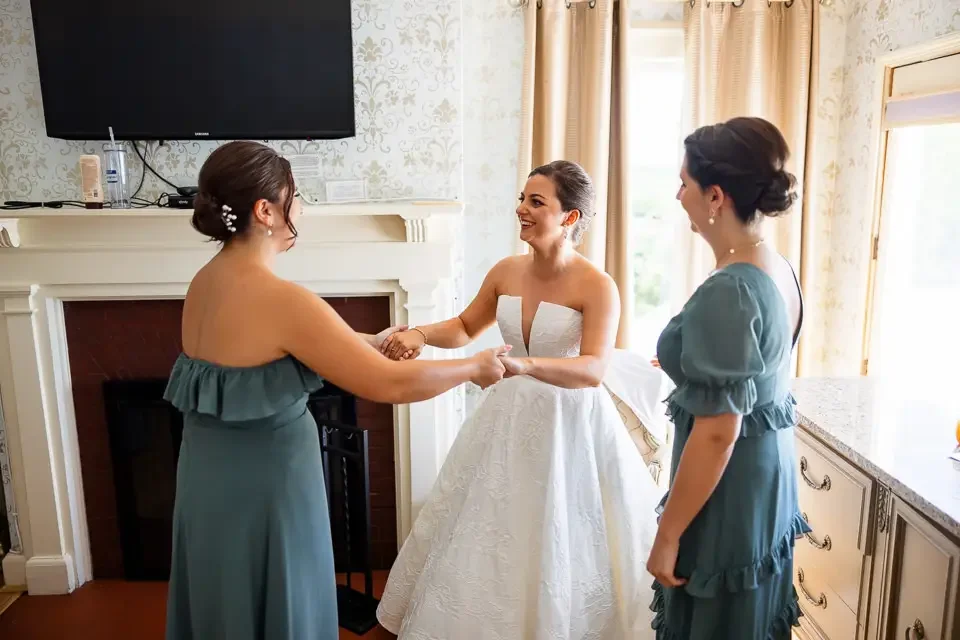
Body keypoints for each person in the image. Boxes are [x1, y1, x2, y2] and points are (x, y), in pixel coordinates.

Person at [162, 140, 509, 640]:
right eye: (295, 196)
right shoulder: (282, 299)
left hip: (207, 484)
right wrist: (472, 366)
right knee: (283, 597)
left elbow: (257, 358)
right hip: (269, 490)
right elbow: (388, 384)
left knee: (224, 599)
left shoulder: (204, 281)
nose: (300, 208)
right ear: (265, 210)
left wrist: (366, 339)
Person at [375, 160, 667, 639]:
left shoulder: (597, 285)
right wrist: (422, 334)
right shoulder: (506, 271)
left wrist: (524, 366)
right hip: (507, 422)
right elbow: (467, 327)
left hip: (569, 428)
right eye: (522, 199)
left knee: (561, 534)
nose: (521, 210)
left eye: (536, 201)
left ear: (569, 217)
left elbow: (593, 369)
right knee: (492, 530)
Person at [647, 117, 808, 639]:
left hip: (729, 484)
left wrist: (668, 532)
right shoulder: (774, 263)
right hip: (766, 474)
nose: (678, 195)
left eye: (685, 184)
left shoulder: (732, 288)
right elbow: (758, 368)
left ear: (715, 196)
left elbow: (719, 431)